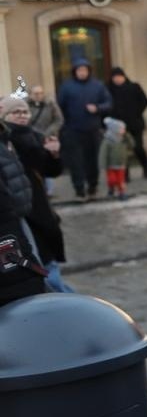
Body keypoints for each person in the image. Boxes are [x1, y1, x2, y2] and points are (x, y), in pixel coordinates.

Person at [1, 97, 67, 292]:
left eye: (24, 112)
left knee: (45, 266)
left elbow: (48, 169)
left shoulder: (34, 136)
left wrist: (54, 154)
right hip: (21, 214)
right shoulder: (11, 140)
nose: (22, 116)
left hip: (35, 206)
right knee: (43, 267)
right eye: (16, 113)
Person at [57, 61, 112, 200]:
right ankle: (79, 190)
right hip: (73, 130)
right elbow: (60, 106)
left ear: (88, 71)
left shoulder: (97, 86)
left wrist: (97, 108)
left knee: (93, 160)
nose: (82, 72)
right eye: (79, 70)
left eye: (84, 70)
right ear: (75, 71)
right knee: (76, 162)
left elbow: (108, 103)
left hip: (93, 129)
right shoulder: (66, 87)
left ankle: (93, 187)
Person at [107, 67, 147, 180]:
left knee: (138, 148)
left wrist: (136, 113)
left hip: (135, 124)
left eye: (119, 77)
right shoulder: (109, 90)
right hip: (119, 126)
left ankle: (145, 166)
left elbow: (144, 101)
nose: (117, 79)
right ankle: (125, 175)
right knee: (122, 152)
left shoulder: (134, 87)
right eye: (115, 77)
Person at [98, 117, 133, 200]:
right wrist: (102, 165)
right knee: (112, 180)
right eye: (122, 129)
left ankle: (122, 193)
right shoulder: (107, 141)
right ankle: (111, 188)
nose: (123, 130)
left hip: (121, 164)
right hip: (111, 166)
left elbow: (132, 145)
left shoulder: (124, 139)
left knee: (121, 181)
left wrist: (128, 136)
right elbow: (103, 154)